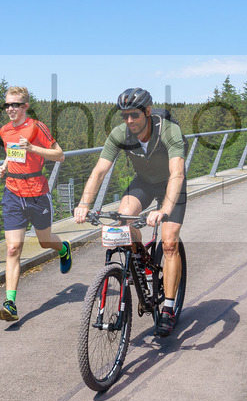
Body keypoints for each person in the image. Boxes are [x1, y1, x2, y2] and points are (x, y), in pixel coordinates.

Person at [73, 87, 187, 337]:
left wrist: (164, 210)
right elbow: (99, 171)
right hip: (144, 182)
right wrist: (84, 203)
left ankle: (168, 307)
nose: (129, 121)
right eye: (124, 116)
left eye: (134, 115)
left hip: (171, 184)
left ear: (147, 111)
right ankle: (141, 260)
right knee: (124, 218)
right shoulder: (120, 134)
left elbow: (177, 173)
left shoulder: (169, 131)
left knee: (169, 243)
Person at [0, 86, 72, 322]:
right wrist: (4, 166)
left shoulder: (37, 127)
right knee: (12, 249)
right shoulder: (5, 130)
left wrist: (33, 148)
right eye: (7, 105)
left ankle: (64, 248)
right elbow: (12, 151)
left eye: (15, 104)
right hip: (13, 194)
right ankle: (11, 303)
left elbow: (60, 155)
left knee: (44, 241)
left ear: (25, 106)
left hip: (37, 193)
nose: (10, 109)